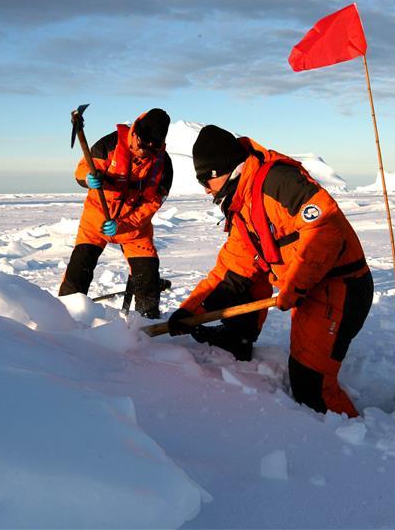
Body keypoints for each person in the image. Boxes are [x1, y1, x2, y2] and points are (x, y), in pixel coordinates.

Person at [167, 125, 373, 417]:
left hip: (341, 289)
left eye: (205, 179)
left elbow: (326, 228)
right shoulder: (244, 203)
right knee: (239, 286)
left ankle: (356, 444)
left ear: (223, 171)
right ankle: (237, 338)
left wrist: (296, 285)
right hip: (310, 291)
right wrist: (190, 311)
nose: (204, 189)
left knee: (312, 387)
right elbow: (232, 267)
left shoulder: (277, 182)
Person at [59, 108, 173, 318]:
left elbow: (150, 206)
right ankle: (64, 315)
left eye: (152, 147)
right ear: (136, 132)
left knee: (147, 273)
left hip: (134, 228)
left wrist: (124, 225)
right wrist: (88, 178)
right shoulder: (109, 145)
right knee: (79, 267)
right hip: (96, 221)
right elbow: (84, 168)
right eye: (142, 143)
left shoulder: (163, 166)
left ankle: (147, 323)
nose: (144, 150)